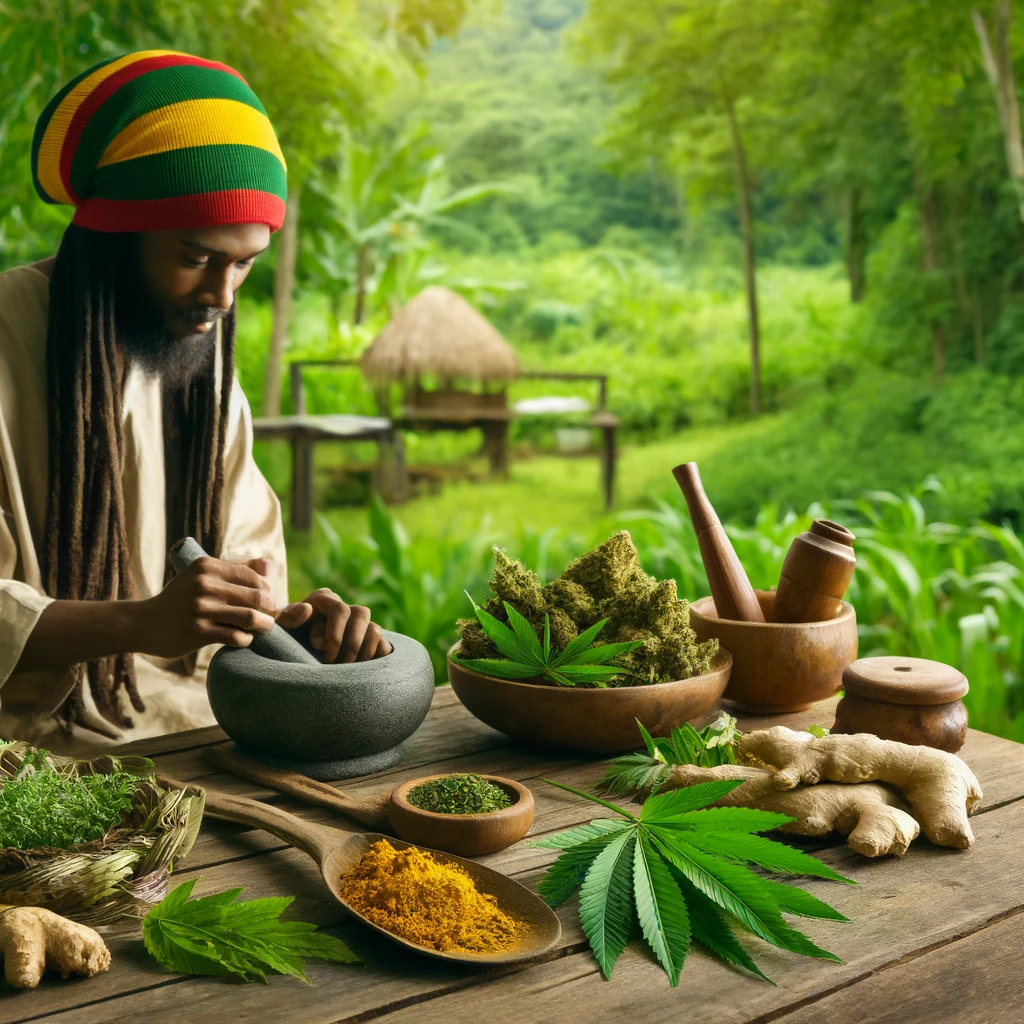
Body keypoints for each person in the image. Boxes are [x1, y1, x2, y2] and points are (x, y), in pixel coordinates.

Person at [0, 50, 390, 753]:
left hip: (188, 733)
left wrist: (287, 626)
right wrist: (141, 623)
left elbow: (240, 567)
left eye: (244, 263)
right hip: (26, 758)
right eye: (196, 257)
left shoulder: (200, 368)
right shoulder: (5, 335)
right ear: (116, 238)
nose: (222, 296)